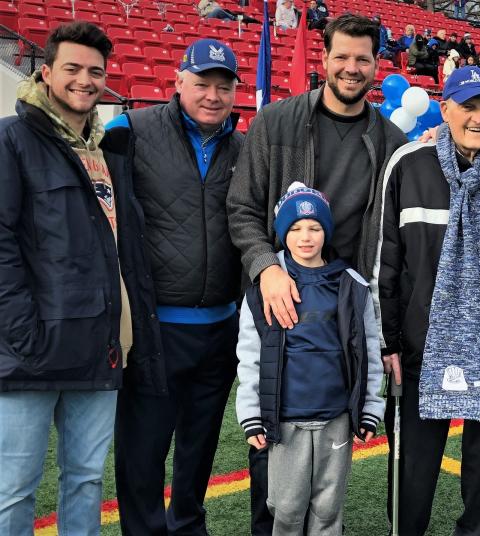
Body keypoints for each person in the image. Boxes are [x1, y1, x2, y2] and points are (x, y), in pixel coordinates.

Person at [227, 15, 407, 533]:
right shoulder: (275, 123)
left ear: (377, 65)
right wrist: (266, 267)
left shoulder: (392, 141)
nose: (352, 68)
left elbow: (395, 241)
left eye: (363, 59)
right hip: (283, 301)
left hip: (346, 307)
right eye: (342, 57)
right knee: (276, 479)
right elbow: (241, 209)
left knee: (330, 487)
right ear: (323, 59)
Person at [0, 21, 160, 535]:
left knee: (87, 481)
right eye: (72, 68)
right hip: (32, 350)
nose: (85, 80)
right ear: (45, 72)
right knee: (14, 488)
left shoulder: (107, 150)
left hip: (99, 345)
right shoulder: (12, 139)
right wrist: (23, 332)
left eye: (95, 71)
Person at [373, 65, 480, 536]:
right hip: (420, 349)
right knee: (413, 471)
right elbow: (386, 262)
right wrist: (389, 343)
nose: (479, 118)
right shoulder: (408, 165)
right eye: (468, 107)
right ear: (445, 110)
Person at [105, 37, 246, 536]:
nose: (212, 95)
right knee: (143, 449)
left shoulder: (245, 147)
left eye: (223, 86)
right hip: (153, 327)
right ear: (178, 82)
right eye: (202, 83)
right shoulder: (131, 131)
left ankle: (188, 524)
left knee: (200, 443)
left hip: (221, 329)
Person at [235, 183, 385, 536]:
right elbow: (250, 356)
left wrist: (369, 409)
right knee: (285, 509)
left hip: (336, 419)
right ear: (282, 232)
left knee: (328, 508)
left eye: (315, 227)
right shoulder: (263, 291)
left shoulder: (351, 284)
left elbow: (369, 353)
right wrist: (251, 415)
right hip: (286, 423)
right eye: (296, 228)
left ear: (326, 232)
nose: (306, 237)